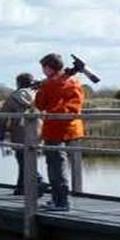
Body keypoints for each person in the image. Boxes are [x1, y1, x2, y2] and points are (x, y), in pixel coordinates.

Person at [35, 53, 85, 212]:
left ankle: (61, 201)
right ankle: (58, 199)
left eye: (43, 68)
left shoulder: (49, 84)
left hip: (55, 128)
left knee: (56, 165)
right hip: (72, 127)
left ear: (48, 68)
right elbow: (76, 105)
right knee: (60, 163)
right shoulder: (75, 82)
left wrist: (42, 88)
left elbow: (40, 104)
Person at [0, 73, 46, 196]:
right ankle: (21, 187)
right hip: (38, 132)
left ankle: (39, 181)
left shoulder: (14, 97)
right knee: (27, 159)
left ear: (18, 83)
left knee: (23, 160)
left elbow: (3, 117)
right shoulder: (38, 95)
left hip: (20, 133)